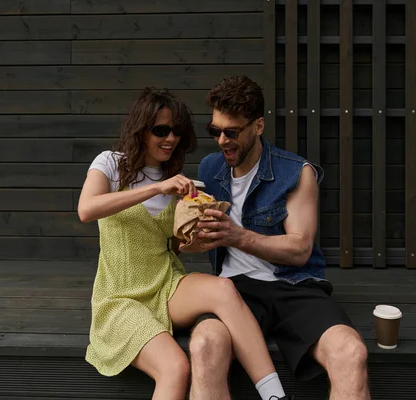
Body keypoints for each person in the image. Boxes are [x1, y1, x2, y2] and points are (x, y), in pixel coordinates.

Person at [77, 87, 291, 400]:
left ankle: (274, 394)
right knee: (176, 367)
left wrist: (198, 236)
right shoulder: (110, 163)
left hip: (165, 285)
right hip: (121, 296)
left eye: (176, 131)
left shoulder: (175, 179)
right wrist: (156, 189)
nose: (170, 139)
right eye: (161, 130)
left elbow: (173, 246)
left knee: (223, 290)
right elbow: (87, 209)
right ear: (141, 129)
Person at [189, 75, 371, 400]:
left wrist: (236, 236)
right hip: (233, 291)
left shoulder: (295, 172)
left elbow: (300, 249)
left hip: (294, 287)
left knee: (350, 352)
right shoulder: (208, 170)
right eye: (214, 131)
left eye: (232, 132)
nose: (221, 141)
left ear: (258, 126)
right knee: (204, 344)